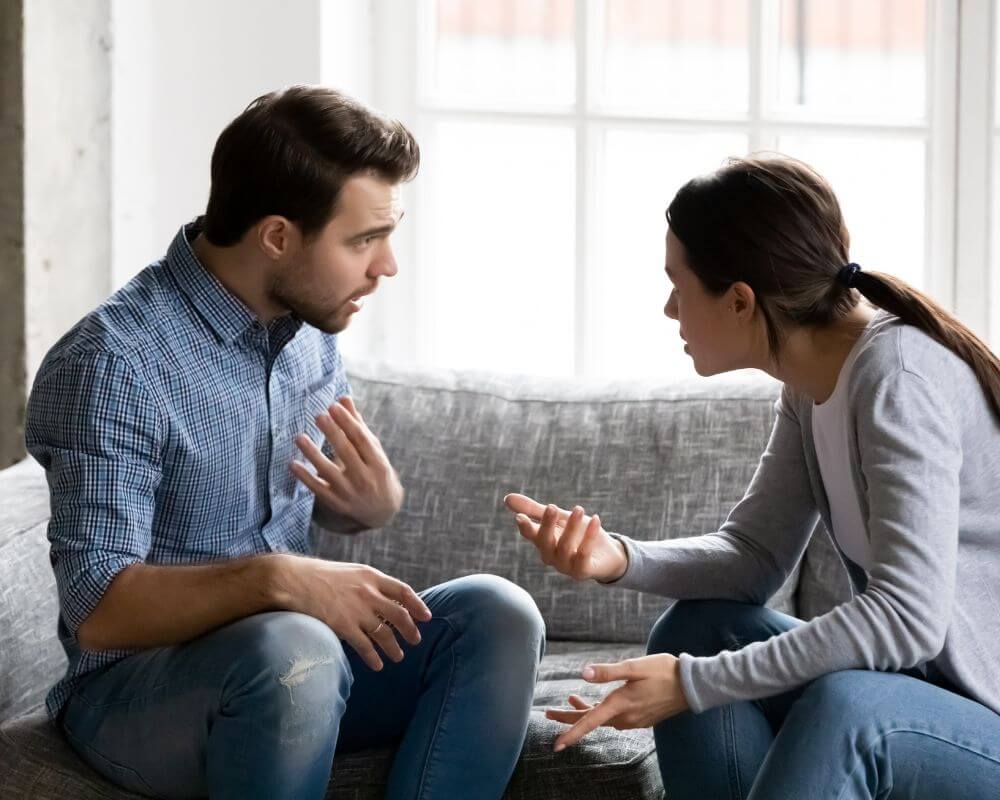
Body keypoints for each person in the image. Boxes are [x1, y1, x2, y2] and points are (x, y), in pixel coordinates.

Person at [26, 85, 544, 800]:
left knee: (497, 613)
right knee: (292, 647)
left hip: (299, 670)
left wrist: (366, 506)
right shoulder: (112, 364)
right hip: (138, 694)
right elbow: (101, 612)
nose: (386, 265)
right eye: (364, 239)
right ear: (277, 236)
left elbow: (280, 502)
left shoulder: (309, 330)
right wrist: (278, 578)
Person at [503, 155, 1000, 799]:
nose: (667, 308)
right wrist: (619, 558)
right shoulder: (809, 383)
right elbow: (754, 557)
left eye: (678, 285)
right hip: (921, 701)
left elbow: (906, 620)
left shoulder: (898, 380)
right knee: (697, 628)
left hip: (978, 722)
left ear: (740, 300)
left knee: (850, 709)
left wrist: (691, 684)